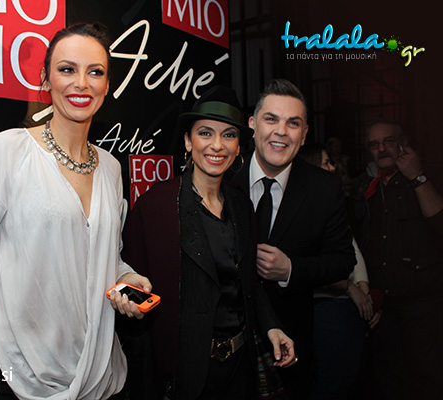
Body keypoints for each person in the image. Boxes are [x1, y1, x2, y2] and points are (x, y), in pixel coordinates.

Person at [0, 22, 150, 400]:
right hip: (25, 376)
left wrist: (127, 277)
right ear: (45, 79)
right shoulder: (9, 151)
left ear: (107, 85)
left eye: (95, 72)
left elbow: (102, 255)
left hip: (101, 375)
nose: (81, 83)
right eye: (67, 69)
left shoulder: (111, 168)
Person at [120, 86, 296, 400]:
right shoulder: (156, 207)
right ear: (188, 141)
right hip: (184, 373)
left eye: (229, 135)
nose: (217, 145)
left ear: (238, 147)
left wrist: (271, 326)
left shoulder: (241, 205)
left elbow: (248, 282)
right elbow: (129, 281)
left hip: (239, 369)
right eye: (205, 133)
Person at [228, 79, 355, 400]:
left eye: (293, 123)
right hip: (225, 343)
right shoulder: (223, 175)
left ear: (305, 134)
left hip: (291, 343)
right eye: (271, 119)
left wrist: (291, 270)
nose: (281, 131)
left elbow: (343, 262)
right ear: (252, 124)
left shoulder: (324, 188)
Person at [348, 118, 443, 400]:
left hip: (423, 304)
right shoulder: (366, 187)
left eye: (388, 141)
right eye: (374, 144)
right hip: (384, 308)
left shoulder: (426, 175)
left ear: (403, 142)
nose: (381, 149)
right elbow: (359, 243)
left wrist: (417, 176)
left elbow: (439, 223)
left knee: (428, 377)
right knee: (389, 379)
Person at [299, 144, 373, 400]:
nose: (332, 167)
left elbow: (352, 248)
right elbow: (307, 267)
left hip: (349, 306)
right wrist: (350, 288)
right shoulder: (301, 208)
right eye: (325, 162)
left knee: (349, 378)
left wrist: (364, 289)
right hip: (325, 307)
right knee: (329, 383)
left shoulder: (330, 202)